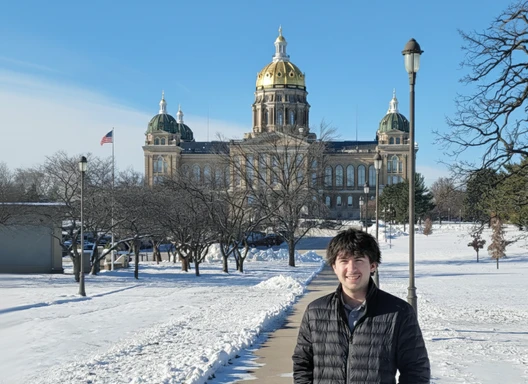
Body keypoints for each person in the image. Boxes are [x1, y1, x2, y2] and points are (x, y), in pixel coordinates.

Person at [292, 228, 430, 383]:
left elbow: (416, 371)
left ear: (373, 266)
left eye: (358, 260)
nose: (351, 269)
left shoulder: (399, 312)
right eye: (344, 261)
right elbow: (302, 365)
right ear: (334, 267)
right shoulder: (315, 312)